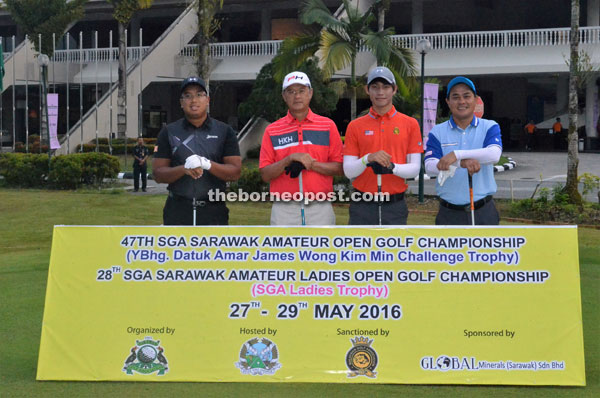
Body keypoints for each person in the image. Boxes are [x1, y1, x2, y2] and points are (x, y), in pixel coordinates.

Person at [153, 76, 241, 225]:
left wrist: (207, 164)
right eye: (188, 96)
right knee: (177, 249)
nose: (194, 100)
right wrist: (183, 169)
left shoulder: (224, 131)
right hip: (177, 209)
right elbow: (158, 174)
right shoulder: (168, 131)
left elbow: (235, 173)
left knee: (213, 249)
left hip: (213, 210)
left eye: (199, 95)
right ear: (181, 103)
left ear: (207, 100)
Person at [259, 71, 343, 225]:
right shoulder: (272, 130)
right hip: (284, 207)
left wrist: (310, 164)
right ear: (284, 96)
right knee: (284, 250)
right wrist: (288, 160)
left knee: (321, 250)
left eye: (301, 91)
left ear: (310, 93)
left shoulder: (328, 126)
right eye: (291, 91)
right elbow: (265, 174)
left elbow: (339, 167)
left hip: (320, 205)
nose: (296, 96)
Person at [343, 66, 423, 225]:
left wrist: (392, 167)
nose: (380, 92)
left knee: (394, 250)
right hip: (362, 204)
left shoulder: (410, 124)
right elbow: (348, 171)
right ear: (367, 90)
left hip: (395, 205)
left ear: (394, 90)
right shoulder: (355, 126)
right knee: (360, 250)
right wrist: (368, 158)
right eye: (375, 87)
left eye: (386, 87)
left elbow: (414, 168)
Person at [424, 76, 502, 225]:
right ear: (447, 101)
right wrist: (461, 163)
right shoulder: (437, 131)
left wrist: (456, 155)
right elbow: (430, 166)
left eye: (467, 96)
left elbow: (494, 155)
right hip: (449, 213)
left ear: (476, 99)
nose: (462, 101)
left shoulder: (490, 126)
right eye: (455, 97)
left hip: (484, 212)